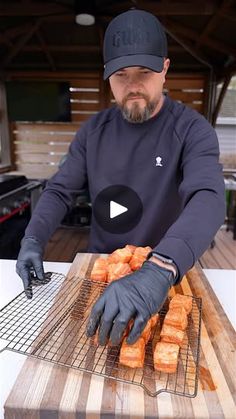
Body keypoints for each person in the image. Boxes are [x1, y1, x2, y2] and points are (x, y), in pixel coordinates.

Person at [16, 9, 225, 346]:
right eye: (121, 75)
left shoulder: (191, 130)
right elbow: (59, 191)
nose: (133, 86)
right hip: (102, 269)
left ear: (165, 70)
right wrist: (32, 239)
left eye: (145, 71)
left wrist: (159, 268)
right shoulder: (92, 132)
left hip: (164, 272)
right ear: (107, 77)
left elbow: (209, 197)